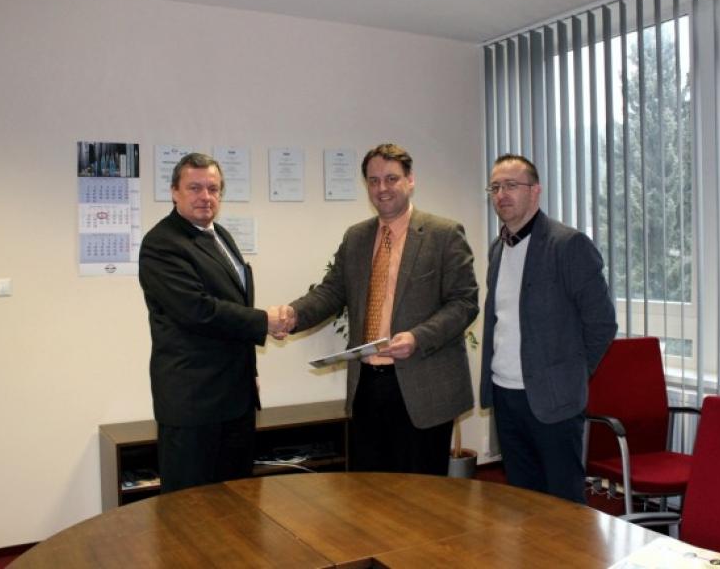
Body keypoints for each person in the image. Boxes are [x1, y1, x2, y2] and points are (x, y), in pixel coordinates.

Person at [275, 143, 478, 475]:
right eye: (373, 180)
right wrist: (294, 314)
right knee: (368, 490)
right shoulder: (356, 237)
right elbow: (331, 291)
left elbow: (464, 302)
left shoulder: (444, 234)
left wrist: (418, 337)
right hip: (367, 384)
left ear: (410, 180)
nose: (382, 188)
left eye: (391, 178)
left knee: (421, 492)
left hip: (423, 386)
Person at [139, 152, 287, 493]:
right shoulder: (162, 244)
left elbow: (233, 304)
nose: (205, 196)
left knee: (238, 504)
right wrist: (264, 321)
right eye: (194, 188)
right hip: (194, 404)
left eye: (213, 188)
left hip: (235, 399)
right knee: (190, 510)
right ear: (174, 192)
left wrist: (249, 373)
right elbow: (198, 311)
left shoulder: (221, 235)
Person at [480, 153, 616, 503]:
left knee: (563, 505)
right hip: (505, 395)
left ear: (535, 190)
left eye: (511, 185)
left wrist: (572, 374)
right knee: (523, 502)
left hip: (554, 400)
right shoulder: (497, 249)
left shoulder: (568, 245)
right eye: (495, 187)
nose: (502, 194)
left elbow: (602, 323)